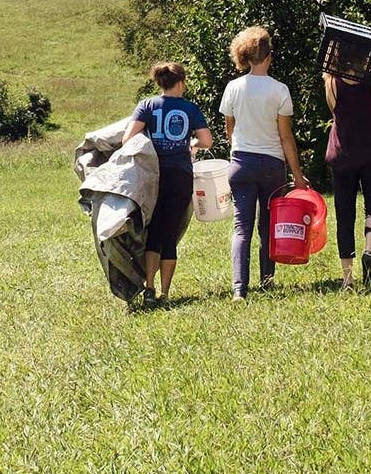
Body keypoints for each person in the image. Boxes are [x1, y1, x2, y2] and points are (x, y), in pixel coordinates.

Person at [219, 26, 307, 301]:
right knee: (268, 225)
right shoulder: (279, 90)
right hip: (272, 166)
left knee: (241, 227)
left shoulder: (233, 87)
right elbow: (285, 136)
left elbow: (229, 130)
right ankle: (267, 281)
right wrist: (298, 174)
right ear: (269, 57)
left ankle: (238, 290)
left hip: (241, 163)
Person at [122, 62, 212, 309]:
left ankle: (148, 287)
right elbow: (207, 141)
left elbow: (127, 138)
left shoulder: (147, 105)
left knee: (155, 231)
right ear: (181, 82)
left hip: (153, 177)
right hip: (180, 176)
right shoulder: (190, 108)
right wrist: (191, 143)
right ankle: (165, 293)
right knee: (170, 233)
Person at [323, 68, 371, 289]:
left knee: (344, 214)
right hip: (368, 150)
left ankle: (348, 278)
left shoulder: (331, 82)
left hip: (341, 153)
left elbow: (335, 110)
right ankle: (369, 251)